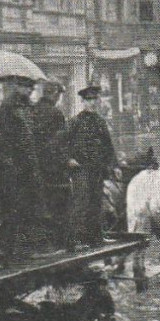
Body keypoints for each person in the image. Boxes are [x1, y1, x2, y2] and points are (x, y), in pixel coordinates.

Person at [0, 76, 41, 263]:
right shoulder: (9, 107)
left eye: (32, 88)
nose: (30, 91)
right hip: (14, 166)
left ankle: (22, 248)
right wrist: (12, 161)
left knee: (26, 207)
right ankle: (9, 250)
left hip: (26, 164)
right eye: (27, 88)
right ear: (18, 87)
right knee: (12, 208)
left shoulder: (25, 106)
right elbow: (8, 138)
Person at [65, 84, 117, 247]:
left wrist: (113, 165)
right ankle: (78, 240)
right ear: (83, 101)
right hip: (81, 169)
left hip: (97, 169)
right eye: (89, 100)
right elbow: (62, 144)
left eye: (95, 99)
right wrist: (68, 159)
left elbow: (108, 146)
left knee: (96, 203)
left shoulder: (100, 122)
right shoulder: (75, 122)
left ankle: (95, 237)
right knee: (81, 203)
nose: (92, 103)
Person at [27, 79, 73, 252]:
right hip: (55, 170)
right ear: (54, 95)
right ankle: (62, 244)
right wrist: (67, 160)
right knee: (61, 206)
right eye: (59, 95)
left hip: (37, 168)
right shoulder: (56, 114)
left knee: (43, 206)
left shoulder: (33, 111)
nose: (59, 99)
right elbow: (60, 143)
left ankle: (45, 244)